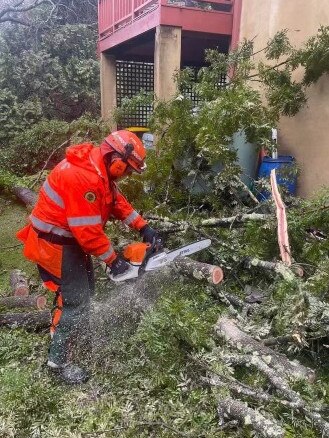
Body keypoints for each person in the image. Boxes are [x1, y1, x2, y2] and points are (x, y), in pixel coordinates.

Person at [17, 130, 161, 384]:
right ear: (116, 158)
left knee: (84, 292)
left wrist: (143, 226)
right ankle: (57, 364)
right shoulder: (83, 177)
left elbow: (115, 201)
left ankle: (66, 335)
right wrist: (113, 261)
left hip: (68, 241)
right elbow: (87, 231)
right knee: (77, 301)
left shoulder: (97, 168)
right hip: (55, 244)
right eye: (126, 169)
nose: (127, 175)